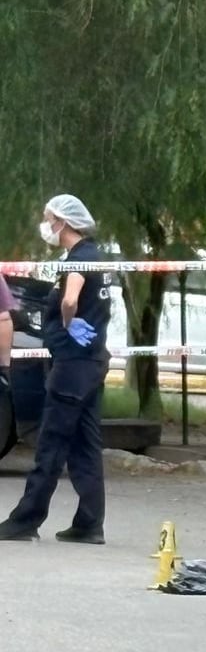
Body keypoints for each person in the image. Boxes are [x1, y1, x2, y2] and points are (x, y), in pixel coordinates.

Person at [0, 195, 113, 544]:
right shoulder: (97, 257)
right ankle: (89, 523)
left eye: (48, 218)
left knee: (51, 442)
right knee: (85, 443)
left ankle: (25, 520)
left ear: (63, 222)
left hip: (73, 364)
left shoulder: (78, 260)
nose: (46, 225)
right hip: (92, 362)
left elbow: (70, 298)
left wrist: (68, 321)